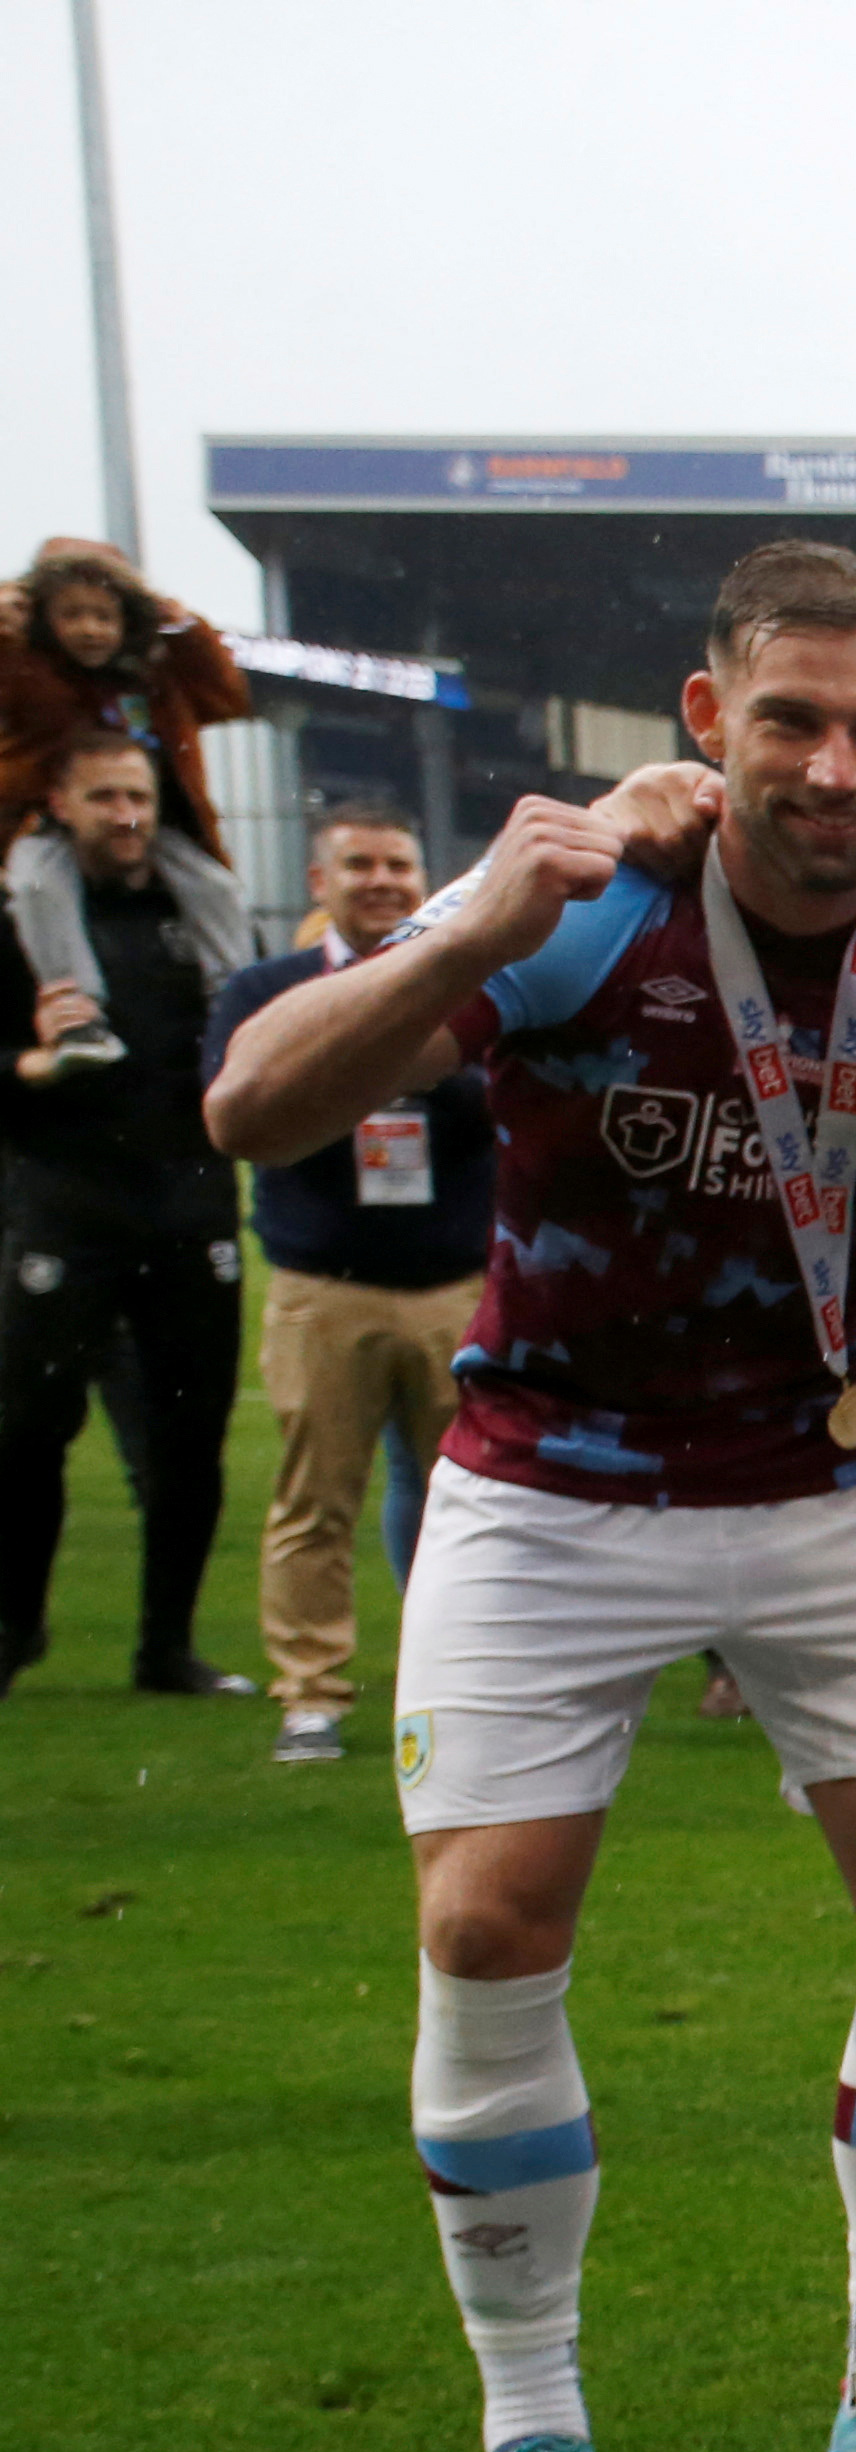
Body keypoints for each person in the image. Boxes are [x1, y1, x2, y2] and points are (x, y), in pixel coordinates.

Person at [202, 541, 856, 2452]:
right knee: (485, 1923)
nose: (833, 768)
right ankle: (533, 2431)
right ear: (705, 719)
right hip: (550, 1481)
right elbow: (252, 1105)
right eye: (789, 721)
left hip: (847, 1498)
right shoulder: (590, 908)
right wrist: (476, 918)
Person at [202, 804, 495, 1763]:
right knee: (314, 1500)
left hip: (457, 1284)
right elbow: (239, 1106)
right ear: (318, 882)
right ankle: (311, 1694)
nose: (382, 881)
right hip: (323, 1284)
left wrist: (384, 1067)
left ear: (425, 880)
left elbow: (505, 1102)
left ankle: (462, 1683)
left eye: (398, 865)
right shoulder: (268, 989)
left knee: (475, 1503)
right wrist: (375, 1069)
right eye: (359, 864)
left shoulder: (476, 980)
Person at [3, 730, 252, 1699]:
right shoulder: (18, 916)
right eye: (105, 797)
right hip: (65, 1204)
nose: (128, 816)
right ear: (60, 804)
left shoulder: (200, 907)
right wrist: (32, 1062)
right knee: (28, 1428)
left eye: (139, 797)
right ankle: (15, 1626)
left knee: (190, 1435)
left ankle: (168, 1649)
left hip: (189, 1203)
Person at [0, 537, 254, 1055]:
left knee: (215, 888)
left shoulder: (154, 679)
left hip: (151, 829)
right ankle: (78, 1014)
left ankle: (235, 1001)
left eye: (104, 616)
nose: (90, 630)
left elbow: (226, 697)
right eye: (72, 615)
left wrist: (185, 630)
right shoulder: (33, 673)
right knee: (36, 885)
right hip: (47, 828)